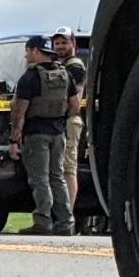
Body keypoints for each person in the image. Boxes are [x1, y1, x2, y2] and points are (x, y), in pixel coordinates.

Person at [9, 36, 77, 236]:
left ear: (36, 51)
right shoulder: (65, 74)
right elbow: (74, 105)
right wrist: (60, 121)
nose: (26, 55)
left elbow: (20, 111)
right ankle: (65, 222)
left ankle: (43, 221)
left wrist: (14, 138)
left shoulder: (30, 77)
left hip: (36, 134)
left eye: (28, 50)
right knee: (58, 177)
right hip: (58, 133)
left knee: (40, 179)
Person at [52, 26, 88, 212]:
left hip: (69, 120)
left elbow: (73, 97)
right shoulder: (62, 65)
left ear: (73, 44)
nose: (59, 46)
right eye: (57, 42)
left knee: (68, 168)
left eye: (64, 42)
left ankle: (67, 213)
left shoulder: (74, 66)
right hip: (60, 121)